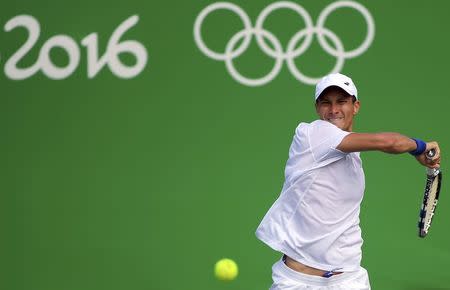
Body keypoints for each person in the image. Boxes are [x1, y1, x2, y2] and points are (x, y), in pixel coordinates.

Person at [255, 73, 441, 290]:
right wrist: (420, 147)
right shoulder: (313, 133)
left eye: (342, 101)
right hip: (299, 282)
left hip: (349, 278)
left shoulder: (351, 153)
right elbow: (387, 142)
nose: (333, 110)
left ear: (356, 106)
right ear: (317, 108)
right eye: (326, 103)